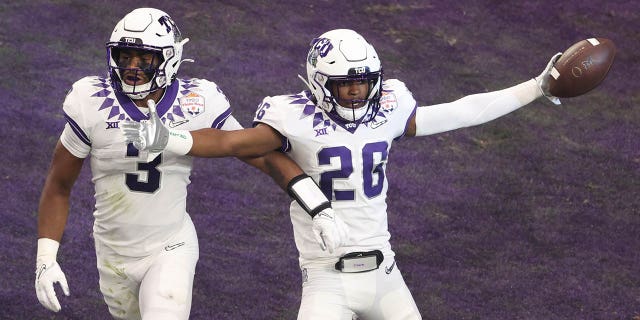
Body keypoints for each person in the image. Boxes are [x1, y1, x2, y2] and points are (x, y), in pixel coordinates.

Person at [123, 29, 563, 319]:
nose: (356, 92)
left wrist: (535, 87)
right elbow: (233, 143)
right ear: (317, 82)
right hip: (326, 276)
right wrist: (174, 139)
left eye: (363, 82)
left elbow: (461, 111)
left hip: (385, 271)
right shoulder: (289, 116)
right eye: (344, 84)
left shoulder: (389, 106)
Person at [34, 8, 341, 320]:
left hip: (170, 244)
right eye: (125, 56)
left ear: (170, 59)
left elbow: (257, 153)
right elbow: (59, 186)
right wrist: (45, 258)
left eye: (145, 59)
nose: (132, 68)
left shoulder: (197, 99)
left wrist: (316, 202)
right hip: (113, 251)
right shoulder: (91, 101)